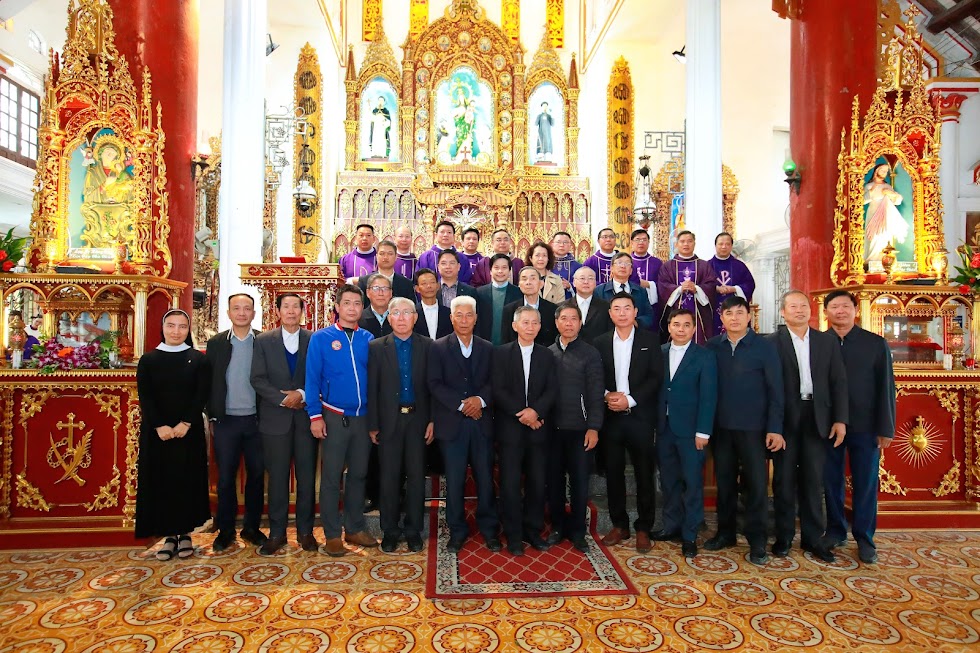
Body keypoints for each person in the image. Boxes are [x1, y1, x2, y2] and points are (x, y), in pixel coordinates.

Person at [768, 290, 847, 563]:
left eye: (803, 306)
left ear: (811, 310)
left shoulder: (827, 341)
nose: (799, 310)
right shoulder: (771, 343)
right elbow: (768, 387)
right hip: (786, 418)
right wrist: (773, 425)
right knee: (783, 480)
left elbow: (839, 383)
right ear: (783, 312)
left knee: (814, 480)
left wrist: (840, 420)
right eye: (793, 306)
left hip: (817, 416)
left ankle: (813, 538)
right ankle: (784, 536)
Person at [705, 296, 784, 565]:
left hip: (754, 429)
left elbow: (776, 390)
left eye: (740, 313)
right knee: (724, 483)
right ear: (722, 318)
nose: (735, 318)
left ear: (749, 316)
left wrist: (775, 428)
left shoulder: (765, 347)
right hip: (721, 427)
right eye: (729, 313)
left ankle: (757, 539)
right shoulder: (713, 346)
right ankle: (725, 532)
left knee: (756, 486)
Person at [305, 284, 379, 556]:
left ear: (362, 308)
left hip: (363, 418)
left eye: (357, 304)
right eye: (346, 303)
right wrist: (315, 416)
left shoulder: (368, 338)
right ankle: (332, 534)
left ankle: (355, 527)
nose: (352, 308)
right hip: (334, 417)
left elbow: (375, 380)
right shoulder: (321, 338)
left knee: (358, 475)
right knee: (331, 477)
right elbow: (312, 379)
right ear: (337, 307)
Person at [824, 289, 895, 564]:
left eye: (845, 306)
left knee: (865, 482)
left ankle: (865, 537)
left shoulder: (875, 344)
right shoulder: (819, 343)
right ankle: (835, 530)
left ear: (856, 310)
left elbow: (886, 387)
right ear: (826, 312)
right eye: (834, 307)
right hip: (828, 425)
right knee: (831, 480)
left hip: (866, 424)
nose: (840, 311)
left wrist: (885, 427)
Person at [136, 310, 211, 560]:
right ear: (163, 328)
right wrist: (159, 426)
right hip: (157, 434)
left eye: (181, 326)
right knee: (162, 482)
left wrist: (186, 422)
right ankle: (168, 537)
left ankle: (186, 534)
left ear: (188, 330)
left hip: (188, 432)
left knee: (186, 481)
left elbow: (201, 394)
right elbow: (146, 396)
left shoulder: (198, 359)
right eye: (171, 325)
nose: (176, 331)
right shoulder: (148, 360)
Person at [428, 296, 501, 553]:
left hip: (482, 424)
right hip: (453, 424)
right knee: (455, 480)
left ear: (476, 318)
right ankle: (457, 531)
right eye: (459, 315)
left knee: (485, 479)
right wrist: (462, 405)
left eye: (469, 315)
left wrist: (479, 401)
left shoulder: (488, 348)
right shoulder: (437, 347)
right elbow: (434, 384)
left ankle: (489, 530)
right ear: (451, 318)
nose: (464, 320)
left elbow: (495, 382)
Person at [249, 293, 318, 555]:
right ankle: (277, 533)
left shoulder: (313, 339)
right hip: (274, 420)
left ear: (302, 311)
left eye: (295, 307)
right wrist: (283, 399)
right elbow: (257, 378)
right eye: (285, 306)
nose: (290, 311)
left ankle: (305, 532)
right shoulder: (263, 341)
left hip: (305, 419)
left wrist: (301, 394)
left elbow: (321, 375)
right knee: (277, 479)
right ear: (277, 311)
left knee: (306, 478)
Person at [595, 293, 664, 552]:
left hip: (640, 417)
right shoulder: (600, 342)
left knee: (644, 473)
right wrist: (607, 396)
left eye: (627, 308)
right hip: (611, 417)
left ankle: (643, 528)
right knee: (613, 473)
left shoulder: (650, 340)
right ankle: (619, 525)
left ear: (635, 312)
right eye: (617, 308)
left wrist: (630, 400)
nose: (622, 313)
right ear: (610, 313)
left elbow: (655, 377)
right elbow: (595, 376)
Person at [368, 297, 433, 553]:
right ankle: (390, 530)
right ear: (389, 317)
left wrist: (433, 420)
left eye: (407, 312)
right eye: (396, 312)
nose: (402, 317)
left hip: (418, 420)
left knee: (416, 477)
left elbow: (433, 386)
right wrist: (373, 424)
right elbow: (372, 388)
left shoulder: (428, 346)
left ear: (415, 318)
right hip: (389, 421)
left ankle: (413, 529)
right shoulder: (376, 347)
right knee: (389, 478)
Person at [493, 306, 559, 555]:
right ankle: (513, 534)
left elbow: (552, 389)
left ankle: (533, 530)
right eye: (525, 322)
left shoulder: (547, 355)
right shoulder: (501, 353)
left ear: (540, 327)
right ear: (515, 326)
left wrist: (536, 412)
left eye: (535, 323)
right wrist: (524, 414)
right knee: (509, 484)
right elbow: (498, 390)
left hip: (538, 430)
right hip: (510, 430)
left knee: (537, 482)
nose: (530, 327)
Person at [206, 294, 267, 552]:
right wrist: (212, 414)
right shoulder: (217, 343)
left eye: (247, 308)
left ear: (254, 313)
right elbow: (208, 381)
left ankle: (251, 528)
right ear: (229, 312)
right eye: (236, 308)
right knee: (225, 479)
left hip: (257, 421)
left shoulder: (263, 341)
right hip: (226, 421)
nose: (242, 313)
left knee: (256, 475)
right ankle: (226, 530)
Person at [653, 309, 717, 558]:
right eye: (676, 324)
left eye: (686, 325)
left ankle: (690, 533)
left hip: (691, 431)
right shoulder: (659, 353)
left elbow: (709, 396)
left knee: (692, 482)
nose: (681, 329)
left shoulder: (704, 356)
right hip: (664, 428)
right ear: (669, 327)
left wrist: (703, 431)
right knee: (669, 481)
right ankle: (671, 525)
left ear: (693, 328)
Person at [547, 300, 604, 552]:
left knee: (580, 482)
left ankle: (579, 531)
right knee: (554, 481)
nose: (568, 323)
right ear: (556, 322)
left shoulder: (590, 353)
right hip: (552, 431)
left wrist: (594, 427)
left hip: (581, 430)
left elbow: (596, 393)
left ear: (580, 323)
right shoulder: (547, 353)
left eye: (573, 319)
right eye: (564, 319)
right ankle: (558, 527)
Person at [658, 230, 718, 343]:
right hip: (675, 308)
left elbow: (711, 285)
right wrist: (679, 289)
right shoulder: (668, 266)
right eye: (682, 241)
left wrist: (697, 289)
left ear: (694, 244)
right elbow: (663, 286)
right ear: (676, 244)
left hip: (698, 312)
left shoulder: (704, 265)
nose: (686, 244)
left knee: (698, 340)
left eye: (689, 241)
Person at [709, 232, 755, 336]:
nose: (724, 247)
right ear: (715, 246)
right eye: (721, 244)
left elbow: (750, 284)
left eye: (727, 244)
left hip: (735, 308)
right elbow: (702, 286)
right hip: (713, 311)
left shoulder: (739, 266)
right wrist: (715, 288)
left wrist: (734, 289)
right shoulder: (707, 266)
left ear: (731, 246)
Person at [596, 252, 654, 330]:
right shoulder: (599, 291)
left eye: (627, 263)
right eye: (619, 263)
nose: (623, 266)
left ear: (631, 271)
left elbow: (649, 316)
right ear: (612, 268)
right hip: (607, 334)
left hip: (634, 333)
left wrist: (635, 322)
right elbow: (596, 317)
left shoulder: (641, 291)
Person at [864, 163, 909, 262]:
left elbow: (897, 201)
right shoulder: (870, 186)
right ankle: (872, 260)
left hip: (887, 215)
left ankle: (885, 260)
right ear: (876, 171)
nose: (884, 173)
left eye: (886, 171)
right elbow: (861, 200)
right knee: (874, 237)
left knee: (885, 236)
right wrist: (871, 192)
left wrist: (892, 194)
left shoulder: (888, 186)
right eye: (882, 170)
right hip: (874, 214)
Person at [502, 267, 557, 346]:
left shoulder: (553, 309)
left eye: (533, 278)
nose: (528, 282)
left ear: (541, 284)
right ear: (519, 285)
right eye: (524, 279)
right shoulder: (509, 310)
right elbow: (506, 341)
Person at [475, 253, 522, 345]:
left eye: (504, 268)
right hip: (484, 344)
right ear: (490, 271)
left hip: (509, 345)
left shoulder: (518, 293)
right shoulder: (479, 293)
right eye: (496, 268)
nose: (500, 271)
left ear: (509, 271)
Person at [572, 266, 612, 344]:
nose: (586, 282)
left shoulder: (606, 307)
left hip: (598, 349)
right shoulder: (563, 307)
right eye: (582, 278)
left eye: (590, 278)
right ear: (574, 282)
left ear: (595, 283)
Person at [414, 268, 453, 340]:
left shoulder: (448, 313)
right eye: (424, 283)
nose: (429, 286)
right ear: (417, 289)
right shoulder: (413, 313)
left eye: (432, 282)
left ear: (438, 286)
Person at [630, 229, 662, 309]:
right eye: (637, 240)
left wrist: (649, 284)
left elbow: (663, 284)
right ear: (632, 243)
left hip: (651, 305)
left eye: (644, 240)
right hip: (629, 302)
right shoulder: (626, 261)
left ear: (649, 242)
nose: (641, 243)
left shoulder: (657, 263)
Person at [359, 273, 395, 339]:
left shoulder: (398, 318)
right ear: (368, 293)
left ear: (391, 293)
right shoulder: (359, 319)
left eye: (385, 288)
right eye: (376, 288)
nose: (380, 293)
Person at [551, 231, 582, 298]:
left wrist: (570, 286)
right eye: (558, 242)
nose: (561, 245)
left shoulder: (578, 266)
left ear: (570, 245)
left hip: (569, 300)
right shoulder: (546, 263)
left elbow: (582, 285)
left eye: (565, 242)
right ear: (552, 244)